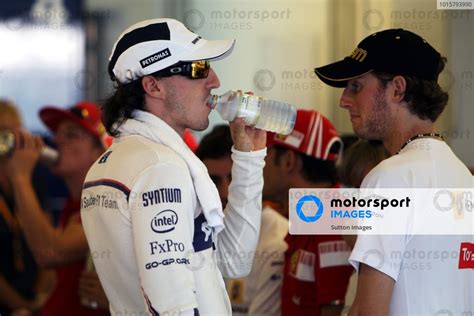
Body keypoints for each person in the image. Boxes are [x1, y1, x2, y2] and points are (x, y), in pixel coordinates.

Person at [80, 18, 267, 315]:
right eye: (198, 69)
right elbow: (171, 305)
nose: (215, 81)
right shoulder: (160, 168)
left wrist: (248, 159)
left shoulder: (120, 160)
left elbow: (234, 260)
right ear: (153, 85)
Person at [315, 28, 473, 315]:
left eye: (356, 86)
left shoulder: (390, 177)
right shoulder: (462, 175)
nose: (343, 100)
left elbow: (368, 310)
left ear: (397, 88)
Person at [4, 101, 110, 316]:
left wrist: (20, 177)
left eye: (71, 134)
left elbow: (49, 253)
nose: (57, 140)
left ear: (100, 151)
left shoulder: (104, 203)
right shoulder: (74, 205)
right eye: (57, 134)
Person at [264, 109, 353, 316]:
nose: (260, 163)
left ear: (288, 161)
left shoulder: (332, 224)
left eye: (265, 153)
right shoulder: (312, 218)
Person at [197, 125, 287, 315]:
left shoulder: (280, 236)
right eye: (214, 180)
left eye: (233, 177)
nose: (224, 191)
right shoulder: (194, 231)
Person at [0, 100, 54, 315]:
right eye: (1, 133)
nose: (7, 142)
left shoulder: (34, 176)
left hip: (33, 294)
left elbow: (48, 239)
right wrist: (22, 306)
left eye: (13, 134)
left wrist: (40, 299)